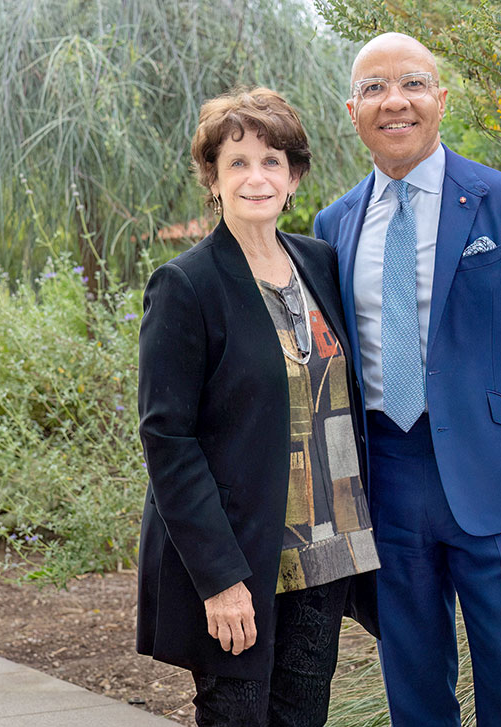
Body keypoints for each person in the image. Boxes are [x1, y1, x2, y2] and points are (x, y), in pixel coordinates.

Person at [313, 34, 501, 726]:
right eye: (374, 88)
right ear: (353, 110)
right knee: (413, 689)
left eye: (411, 83)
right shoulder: (334, 224)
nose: (394, 101)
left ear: (440, 99)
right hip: (388, 481)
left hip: (497, 483)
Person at [136, 87, 380, 727]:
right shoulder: (186, 284)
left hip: (328, 546)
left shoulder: (320, 263)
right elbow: (168, 439)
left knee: (303, 717)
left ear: (294, 175)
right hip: (242, 556)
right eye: (237, 162)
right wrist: (219, 579)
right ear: (212, 179)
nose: (256, 177)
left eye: (272, 160)